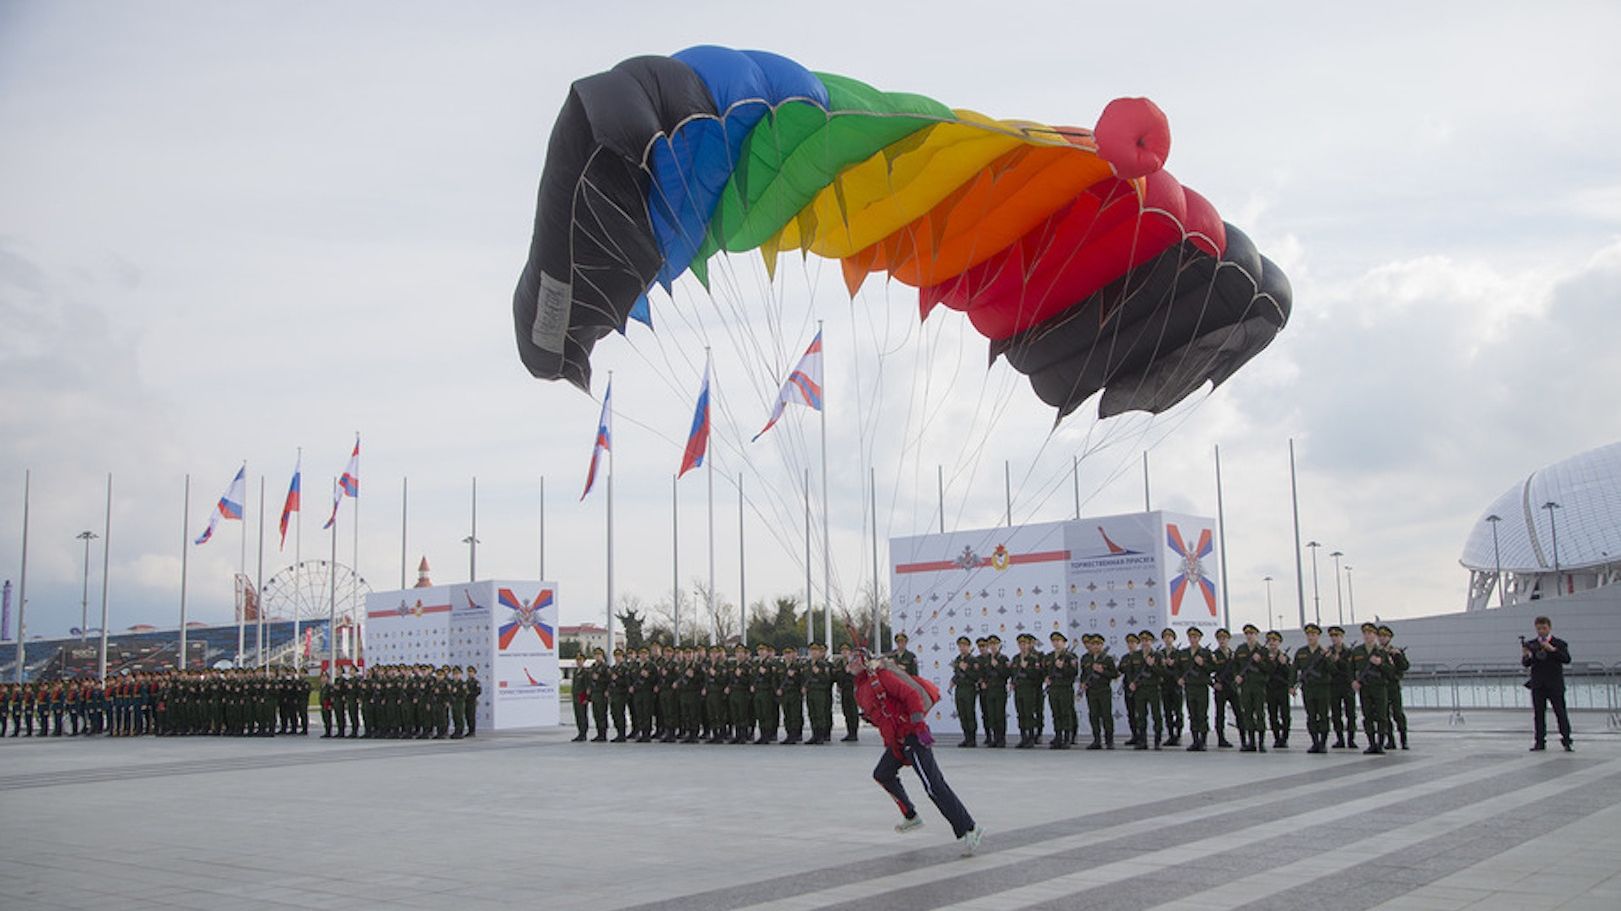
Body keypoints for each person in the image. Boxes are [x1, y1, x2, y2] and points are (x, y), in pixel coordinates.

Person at [848, 648, 984, 856]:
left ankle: (970, 828)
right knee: (882, 774)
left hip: (912, 735)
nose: (850, 663)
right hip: (896, 741)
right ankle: (911, 815)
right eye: (849, 661)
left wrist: (918, 725)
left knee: (933, 785)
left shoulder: (881, 677)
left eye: (855, 660)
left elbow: (911, 695)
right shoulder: (860, 689)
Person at [1523, 615, 1573, 752]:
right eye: (1539, 629)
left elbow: (1566, 659)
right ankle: (1539, 742)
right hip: (1538, 685)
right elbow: (1526, 664)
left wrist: (1552, 650)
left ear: (1549, 628)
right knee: (1538, 714)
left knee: (1560, 713)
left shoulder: (1559, 643)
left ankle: (1567, 740)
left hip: (1555, 684)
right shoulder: (1532, 644)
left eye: (1544, 628)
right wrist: (1526, 655)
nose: (1541, 631)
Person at [1348, 622, 1392, 755]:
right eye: (1365, 633)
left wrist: (1381, 664)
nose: (1367, 636)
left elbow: (1390, 671)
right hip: (1365, 688)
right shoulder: (1357, 651)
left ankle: (1380, 743)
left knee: (1381, 716)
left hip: (1379, 687)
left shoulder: (1382, 652)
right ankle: (1371, 743)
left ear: (1375, 635)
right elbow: (1350, 669)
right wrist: (1353, 681)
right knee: (1367, 716)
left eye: (1370, 633)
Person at [1293, 623, 1333, 754]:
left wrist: (1327, 659)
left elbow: (1333, 670)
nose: (1311, 637)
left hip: (1322, 688)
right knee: (1311, 716)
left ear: (1318, 636)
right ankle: (1315, 742)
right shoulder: (1301, 652)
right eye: (1308, 634)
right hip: (1308, 688)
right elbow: (1294, 669)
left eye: (1313, 634)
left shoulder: (1324, 652)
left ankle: (1323, 743)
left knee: (1323, 716)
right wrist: (1291, 685)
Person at [1232, 624, 1270, 753]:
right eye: (1247, 634)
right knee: (1247, 714)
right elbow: (1235, 666)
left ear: (1256, 635)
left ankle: (1261, 742)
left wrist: (1259, 661)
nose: (1249, 636)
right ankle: (1251, 742)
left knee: (1260, 714)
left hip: (1258, 686)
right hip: (1245, 686)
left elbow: (1269, 669)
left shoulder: (1263, 651)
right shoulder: (1241, 649)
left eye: (1252, 634)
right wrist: (1236, 676)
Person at [1078, 633, 1117, 750]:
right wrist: (1083, 683)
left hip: (1104, 690)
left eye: (1098, 644)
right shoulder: (1085, 658)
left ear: (1102, 645)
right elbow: (1083, 674)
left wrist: (1102, 671)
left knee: (1106, 716)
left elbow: (1114, 674)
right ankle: (1097, 740)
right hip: (1091, 691)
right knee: (1093, 716)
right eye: (1093, 644)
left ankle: (1109, 741)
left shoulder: (1108, 659)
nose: (1095, 647)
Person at [1180, 627, 1213, 751]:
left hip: (1201, 687)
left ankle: (1203, 741)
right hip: (1189, 687)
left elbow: (1212, 669)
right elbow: (1178, 668)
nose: (1193, 639)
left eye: (1195, 637)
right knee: (1192, 714)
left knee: (1202, 714)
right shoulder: (1183, 653)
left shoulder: (1205, 653)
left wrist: (1202, 664)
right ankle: (1195, 740)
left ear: (1199, 638)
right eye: (1191, 637)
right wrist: (1180, 678)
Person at [1045, 631, 1079, 749]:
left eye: (1059, 641)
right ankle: (1058, 736)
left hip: (1065, 688)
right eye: (1054, 641)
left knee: (1066, 713)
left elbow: (1074, 673)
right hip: (1053, 688)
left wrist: (1063, 667)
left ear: (1064, 643)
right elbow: (1046, 672)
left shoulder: (1070, 657)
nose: (1056, 643)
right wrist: (1047, 678)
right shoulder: (1049, 656)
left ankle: (1067, 737)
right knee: (1056, 713)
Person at [1011, 633, 1045, 749]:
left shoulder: (1033, 659)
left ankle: (1031, 737)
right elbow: (1013, 674)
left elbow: (1037, 676)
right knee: (1020, 713)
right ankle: (1023, 737)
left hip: (1029, 689)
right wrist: (1012, 683)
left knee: (1029, 713)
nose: (1023, 646)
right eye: (1020, 644)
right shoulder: (1016, 658)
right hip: (1018, 689)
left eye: (1025, 643)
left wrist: (1026, 668)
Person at [1378, 625, 1410, 750]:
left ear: (1389, 638)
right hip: (1381, 686)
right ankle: (1390, 740)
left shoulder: (1395, 651)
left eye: (1385, 636)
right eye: (1380, 636)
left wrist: (1398, 656)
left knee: (1398, 714)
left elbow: (1405, 666)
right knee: (1384, 715)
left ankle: (1403, 740)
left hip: (1393, 686)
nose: (1382, 639)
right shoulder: (1376, 652)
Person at [1326, 625, 1358, 749]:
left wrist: (1338, 660)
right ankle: (1340, 739)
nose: (1334, 639)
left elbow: (1350, 669)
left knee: (1350, 713)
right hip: (1333, 685)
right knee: (1336, 714)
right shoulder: (1328, 652)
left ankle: (1351, 739)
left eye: (1337, 636)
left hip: (1346, 685)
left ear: (1342, 637)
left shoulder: (1349, 652)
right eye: (1332, 636)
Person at [1264, 630, 1294, 748]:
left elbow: (1290, 674)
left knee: (1285, 715)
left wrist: (1284, 664)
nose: (1272, 643)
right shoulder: (1264, 657)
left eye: (1275, 640)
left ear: (1279, 642)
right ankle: (1277, 737)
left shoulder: (1284, 657)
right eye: (1270, 641)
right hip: (1270, 689)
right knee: (1272, 715)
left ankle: (1284, 737)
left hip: (1282, 689)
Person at [1210, 628, 1238, 748]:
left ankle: (1244, 738)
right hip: (1220, 688)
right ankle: (1221, 739)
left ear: (1228, 639)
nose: (1222, 641)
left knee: (1239, 713)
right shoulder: (1213, 655)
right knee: (1220, 714)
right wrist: (1213, 684)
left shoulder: (1234, 655)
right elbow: (1207, 671)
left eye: (1224, 638)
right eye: (1220, 638)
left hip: (1232, 687)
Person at [1158, 629, 1185, 747]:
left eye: (1170, 637)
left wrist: (1173, 664)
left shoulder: (1179, 653)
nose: (1167, 639)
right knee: (1167, 712)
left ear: (1173, 639)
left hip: (1176, 686)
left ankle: (1178, 735)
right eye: (1165, 637)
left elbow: (1183, 669)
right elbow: (1157, 671)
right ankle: (1170, 735)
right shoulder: (1160, 654)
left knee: (1178, 712)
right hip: (1165, 686)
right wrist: (1162, 664)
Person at [804, 643, 834, 745]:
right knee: (812, 714)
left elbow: (827, 680)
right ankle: (814, 734)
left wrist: (818, 673)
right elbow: (804, 678)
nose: (813, 653)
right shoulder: (807, 664)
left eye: (816, 651)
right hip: (810, 692)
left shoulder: (823, 665)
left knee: (820, 714)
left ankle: (821, 735)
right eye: (812, 651)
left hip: (820, 692)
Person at [834, 643, 860, 743]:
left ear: (850, 652)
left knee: (853, 712)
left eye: (846, 650)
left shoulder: (854, 662)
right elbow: (837, 675)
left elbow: (859, 675)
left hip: (852, 689)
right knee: (846, 712)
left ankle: (854, 733)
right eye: (843, 651)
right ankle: (849, 732)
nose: (844, 652)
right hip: (843, 689)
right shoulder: (839, 663)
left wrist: (850, 671)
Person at [570, 653, 591, 742]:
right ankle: (580, 732)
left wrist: (587, 698)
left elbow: (587, 686)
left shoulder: (585, 672)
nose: (579, 662)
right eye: (577, 660)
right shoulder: (576, 671)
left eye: (580, 660)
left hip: (582, 695)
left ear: (584, 661)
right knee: (577, 715)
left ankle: (583, 733)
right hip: (576, 695)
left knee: (582, 715)